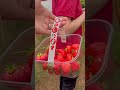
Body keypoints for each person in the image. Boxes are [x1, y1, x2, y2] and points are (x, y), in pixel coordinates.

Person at [52, 0, 85, 90]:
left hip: (64, 49)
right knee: (68, 82)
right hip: (69, 51)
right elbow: (64, 31)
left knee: (65, 78)